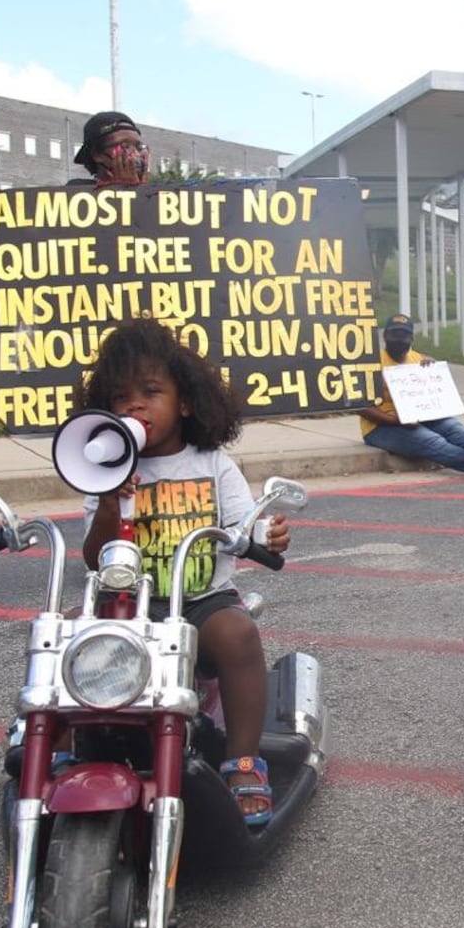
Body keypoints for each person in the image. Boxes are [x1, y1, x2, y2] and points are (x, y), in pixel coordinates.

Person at [79, 318, 291, 825]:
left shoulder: (212, 463)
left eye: (151, 392)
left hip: (201, 600)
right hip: (130, 604)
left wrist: (266, 535)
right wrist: (110, 502)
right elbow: (94, 557)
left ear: (187, 402)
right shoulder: (103, 469)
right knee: (71, 632)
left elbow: (246, 525)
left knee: (239, 634)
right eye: (120, 397)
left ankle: (243, 761)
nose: (134, 406)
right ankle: (62, 741)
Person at [359, 313, 464, 474]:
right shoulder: (372, 363)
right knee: (432, 442)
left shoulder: (418, 360)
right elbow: (360, 406)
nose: (399, 339)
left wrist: (433, 373)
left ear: (411, 339)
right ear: (385, 335)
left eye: (404, 335)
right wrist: (395, 421)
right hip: (381, 427)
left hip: (421, 418)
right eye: (395, 334)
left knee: (454, 428)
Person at [73, 110, 151, 186]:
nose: (136, 154)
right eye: (125, 146)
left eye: (139, 147)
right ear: (97, 154)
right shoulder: (73, 192)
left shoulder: (158, 194)